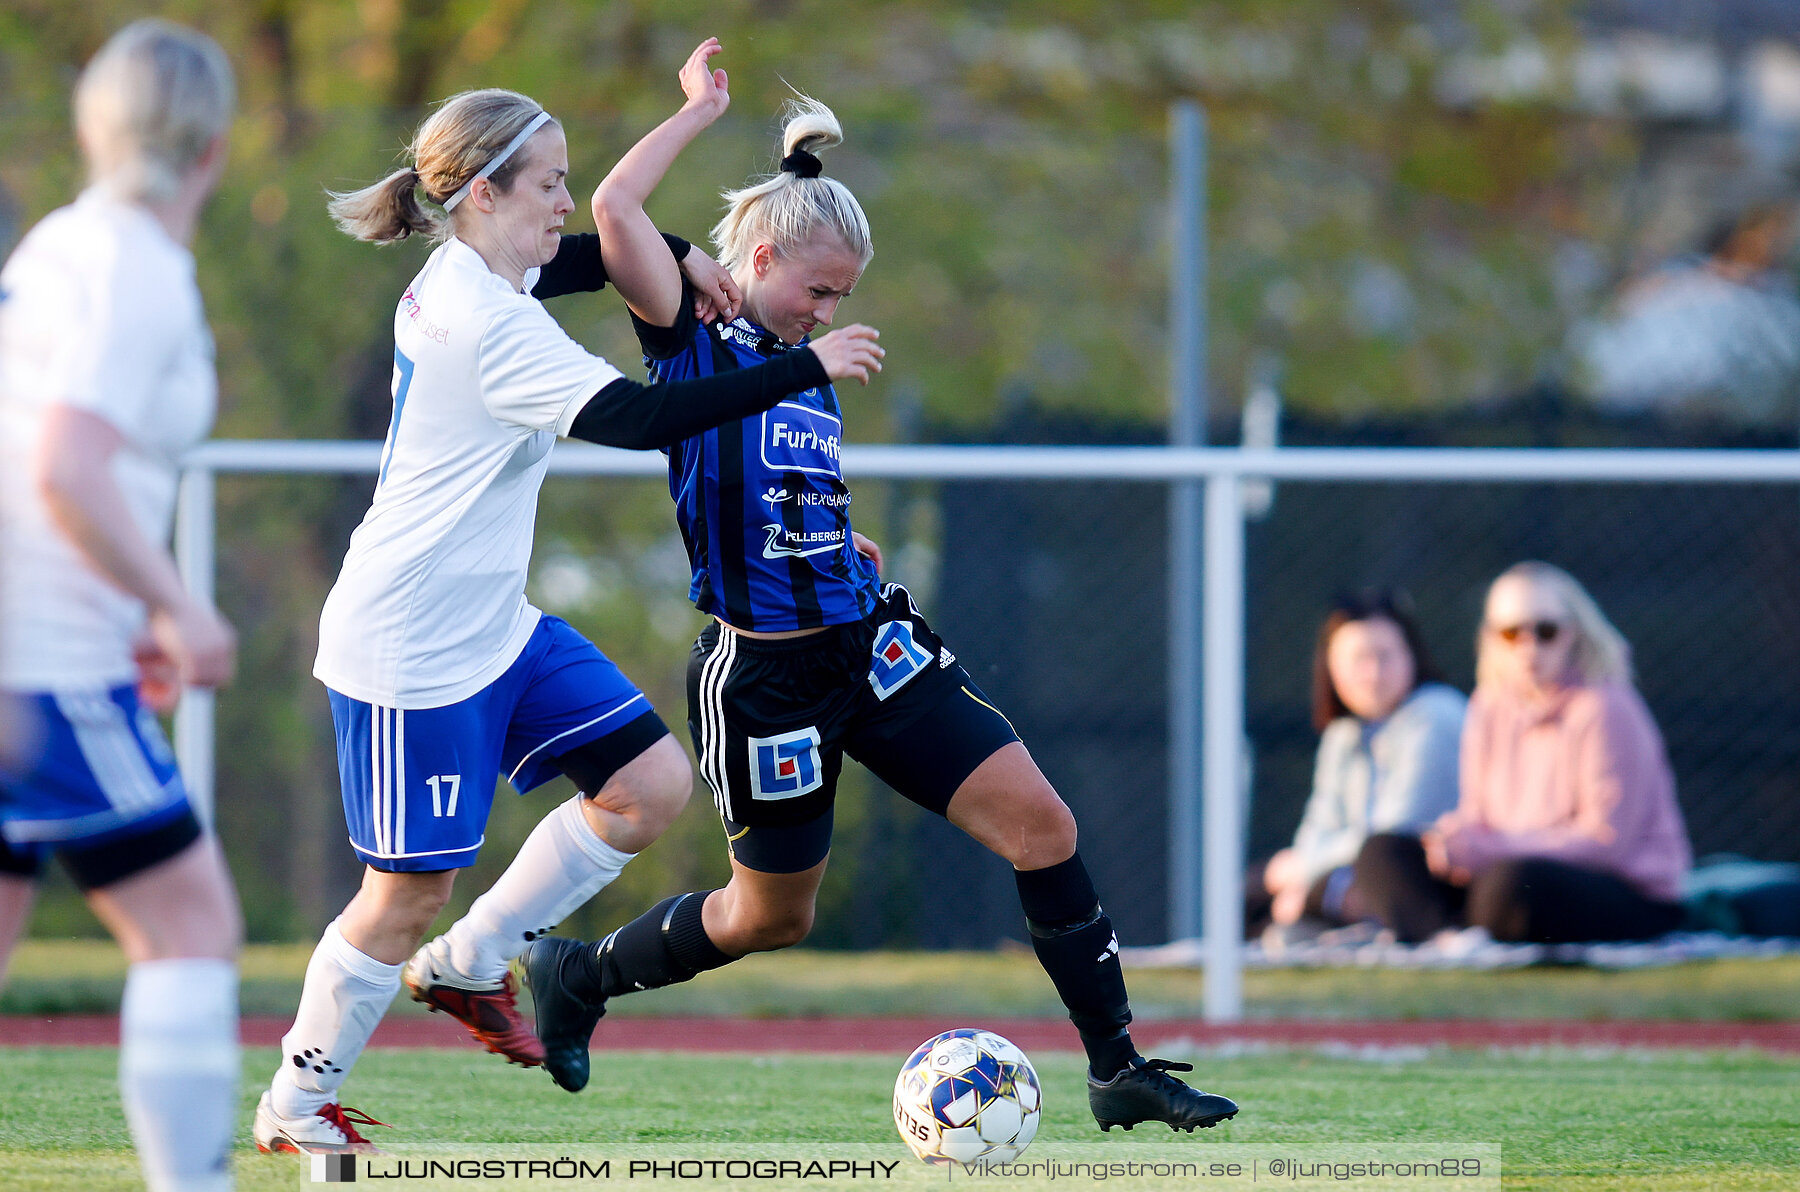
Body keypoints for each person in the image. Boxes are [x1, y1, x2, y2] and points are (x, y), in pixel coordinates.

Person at [510, 42, 1238, 1135]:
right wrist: (699, 115)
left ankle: (1117, 1067)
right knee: (770, 916)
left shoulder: (808, 353)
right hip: (765, 678)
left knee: (1043, 824)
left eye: (843, 295)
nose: (826, 310)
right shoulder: (697, 335)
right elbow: (614, 208)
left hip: (869, 643)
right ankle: (582, 975)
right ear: (755, 259)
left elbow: (786, 491)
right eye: (817, 289)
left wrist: (844, 550)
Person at [251, 80, 884, 1155]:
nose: (567, 200)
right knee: (404, 893)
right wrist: (799, 366)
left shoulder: (485, 266)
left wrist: (679, 249)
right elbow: (641, 419)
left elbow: (591, 255)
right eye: (551, 182)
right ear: (489, 189)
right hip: (413, 646)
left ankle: (471, 959)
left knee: (648, 788)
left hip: (493, 623)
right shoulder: (483, 320)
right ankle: (297, 1103)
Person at [0, 20, 242, 1191]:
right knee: (189, 926)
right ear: (214, 145)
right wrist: (177, 609)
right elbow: (65, 464)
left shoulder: (63, 242)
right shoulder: (137, 266)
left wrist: (130, 609)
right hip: (34, 659)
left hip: (37, 638)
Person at [1353, 562, 1692, 945]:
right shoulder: (1488, 706)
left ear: (1574, 633)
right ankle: (1448, 942)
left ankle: (1475, 929)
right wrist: (1455, 842)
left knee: (1514, 884)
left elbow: (1606, 845)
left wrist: (1490, 849)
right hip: (1501, 873)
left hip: (1619, 892)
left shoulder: (1606, 707)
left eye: (1546, 631)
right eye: (1511, 633)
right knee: (1383, 853)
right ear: (1491, 638)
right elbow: (1479, 817)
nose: (1529, 647)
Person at [1246, 590, 1464, 942]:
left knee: (1337, 877)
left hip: (1417, 883)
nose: (1373, 673)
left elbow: (1396, 832)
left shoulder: (1435, 715)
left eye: (1385, 656)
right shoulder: (1344, 732)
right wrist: (1302, 869)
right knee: (1250, 893)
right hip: (1347, 872)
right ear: (1330, 665)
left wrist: (1306, 870)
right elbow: (1319, 825)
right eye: (1358, 658)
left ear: (1412, 654)